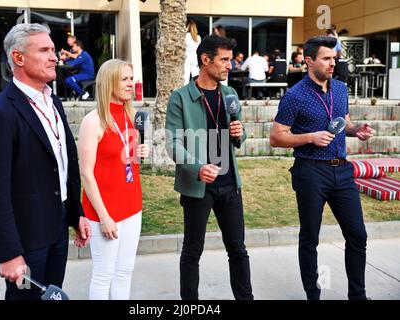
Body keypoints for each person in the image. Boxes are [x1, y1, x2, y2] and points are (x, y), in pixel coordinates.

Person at [0, 23, 91, 300]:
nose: (54, 57)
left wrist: (76, 213)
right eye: (44, 50)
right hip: (26, 239)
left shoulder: (54, 102)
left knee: (51, 296)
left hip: (58, 226)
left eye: (53, 50)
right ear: (18, 58)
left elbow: (63, 163)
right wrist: (9, 253)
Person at [270, 36, 375, 300]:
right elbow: (276, 136)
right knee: (310, 239)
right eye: (327, 58)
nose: (333, 63)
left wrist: (356, 130)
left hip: (342, 171)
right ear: (308, 61)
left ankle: (358, 296)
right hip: (310, 171)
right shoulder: (294, 96)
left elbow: (345, 122)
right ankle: (313, 296)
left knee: (358, 235)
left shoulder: (340, 89)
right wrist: (309, 137)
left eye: (334, 58)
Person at [165, 35, 253, 300]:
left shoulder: (230, 94)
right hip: (197, 187)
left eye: (231, 59)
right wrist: (197, 167)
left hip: (229, 184)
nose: (230, 66)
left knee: (238, 249)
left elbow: (239, 134)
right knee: (193, 250)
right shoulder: (181, 97)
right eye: (224, 60)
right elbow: (172, 142)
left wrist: (239, 133)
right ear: (205, 60)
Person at [78, 59, 150, 300]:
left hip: (132, 205)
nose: (131, 84)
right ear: (109, 82)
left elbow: (127, 162)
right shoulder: (93, 121)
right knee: (103, 274)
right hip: (104, 210)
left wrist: (140, 153)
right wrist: (104, 217)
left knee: (125, 271)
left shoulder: (131, 116)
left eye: (132, 78)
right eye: (125, 79)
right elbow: (86, 174)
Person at [184, 20, 201, 85]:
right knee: (196, 78)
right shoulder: (198, 37)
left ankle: (185, 94)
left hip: (187, 59)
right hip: (195, 59)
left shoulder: (186, 36)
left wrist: (185, 30)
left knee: (185, 79)